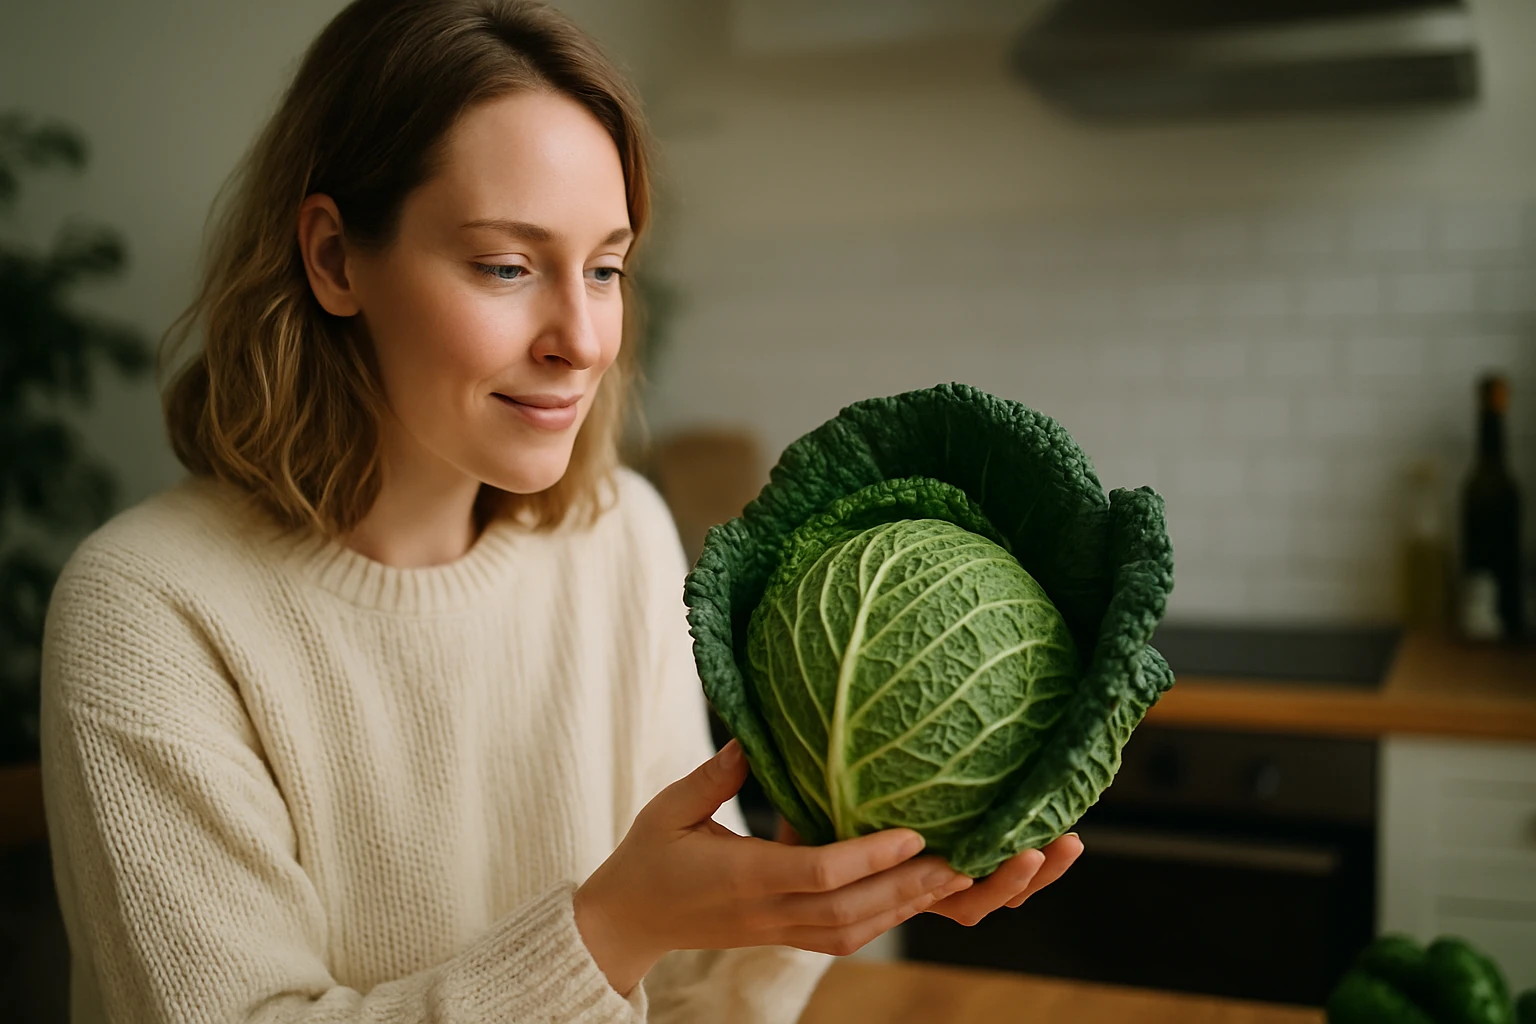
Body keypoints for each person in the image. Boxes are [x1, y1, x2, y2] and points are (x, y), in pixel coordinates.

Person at [37, 1, 1084, 1021]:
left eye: (606, 267)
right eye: (505, 265)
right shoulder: (146, 610)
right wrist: (611, 927)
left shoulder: (619, 533)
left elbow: (684, 1004)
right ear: (333, 258)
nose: (582, 338)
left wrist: (818, 894)